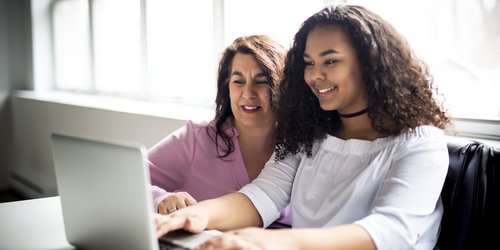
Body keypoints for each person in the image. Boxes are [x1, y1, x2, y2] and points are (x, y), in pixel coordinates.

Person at [155, 4, 452, 250]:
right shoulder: (311, 134)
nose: (315, 76)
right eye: (309, 63)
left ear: (369, 64)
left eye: (330, 61)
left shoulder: (420, 141)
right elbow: (263, 195)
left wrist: (280, 243)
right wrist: (195, 216)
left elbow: (390, 231)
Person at [147, 35, 291, 225]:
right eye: (238, 81)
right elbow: (124, 180)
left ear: (282, 86)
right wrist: (161, 199)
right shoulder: (194, 140)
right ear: (227, 87)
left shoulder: (301, 149)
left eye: (261, 81)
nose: (248, 93)